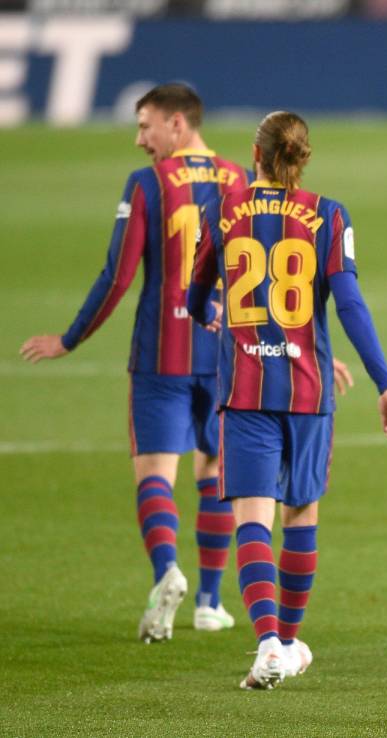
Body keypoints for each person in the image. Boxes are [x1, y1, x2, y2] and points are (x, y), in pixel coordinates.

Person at [19, 83, 254, 641]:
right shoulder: (240, 180)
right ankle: (208, 601)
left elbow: (118, 276)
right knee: (216, 472)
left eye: (145, 126)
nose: (139, 140)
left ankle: (166, 570)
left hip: (161, 352)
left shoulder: (149, 184)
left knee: (155, 474)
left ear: (177, 124)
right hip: (224, 355)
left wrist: (70, 339)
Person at [187, 110, 387, 690]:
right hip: (309, 391)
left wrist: (217, 314)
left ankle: (269, 646)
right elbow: (350, 306)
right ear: (302, 158)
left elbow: (197, 290)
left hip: (246, 391)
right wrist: (384, 382)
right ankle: (287, 638)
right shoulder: (329, 215)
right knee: (301, 514)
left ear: (254, 154)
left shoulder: (223, 209)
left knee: (251, 518)